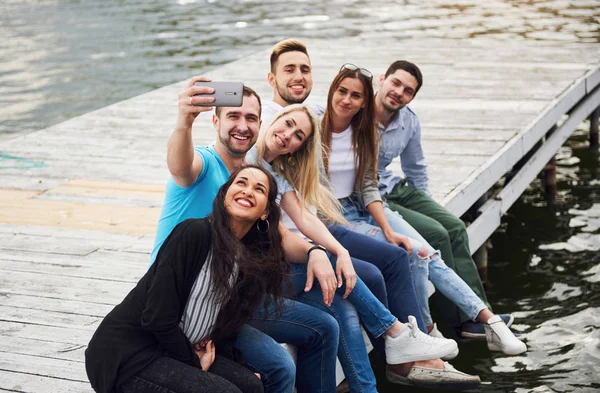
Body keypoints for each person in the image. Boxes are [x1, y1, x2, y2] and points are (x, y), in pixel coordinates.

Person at [249, 103, 484, 391]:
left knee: (343, 307)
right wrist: (323, 253)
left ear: (299, 148)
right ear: (274, 118)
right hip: (259, 276)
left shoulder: (276, 174)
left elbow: (305, 217)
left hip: (277, 265)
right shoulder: (248, 159)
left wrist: (340, 251)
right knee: (342, 280)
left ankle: (370, 384)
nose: (288, 135)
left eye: (298, 135)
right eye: (287, 124)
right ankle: (395, 333)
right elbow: (280, 230)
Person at [319, 63, 527, 357]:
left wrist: (389, 229)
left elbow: (370, 186)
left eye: (355, 96)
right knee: (413, 254)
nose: (347, 100)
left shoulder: (364, 133)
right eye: (342, 92)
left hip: (366, 204)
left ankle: (488, 320)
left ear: (364, 101)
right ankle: (428, 330)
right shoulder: (315, 125)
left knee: (427, 252)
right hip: (334, 215)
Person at [150, 80, 340, 393]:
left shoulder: (247, 179)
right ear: (215, 121)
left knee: (325, 326)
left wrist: (315, 251)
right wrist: (184, 121)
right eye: (233, 117)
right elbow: (180, 167)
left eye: (251, 119)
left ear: (260, 125)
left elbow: (279, 235)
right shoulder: (204, 164)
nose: (242, 125)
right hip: (183, 301)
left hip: (228, 295)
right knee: (279, 366)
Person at [86, 165, 287, 393]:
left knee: (251, 385)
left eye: (259, 189)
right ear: (224, 195)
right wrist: (192, 363)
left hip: (176, 349)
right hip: (129, 353)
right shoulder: (194, 233)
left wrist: (238, 369)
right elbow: (157, 317)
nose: (248, 191)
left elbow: (226, 330)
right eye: (241, 183)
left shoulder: (249, 262)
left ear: (265, 213)